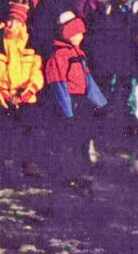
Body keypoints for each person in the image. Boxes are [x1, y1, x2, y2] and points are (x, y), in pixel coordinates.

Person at [0, 2, 43, 186]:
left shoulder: (31, 43)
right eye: (8, 21)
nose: (10, 25)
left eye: (15, 22)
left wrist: (25, 93)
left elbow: (37, 72)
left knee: (22, 135)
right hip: (2, 97)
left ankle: (17, 170)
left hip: (24, 98)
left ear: (23, 24)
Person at [43, 10, 108, 189]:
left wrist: (101, 102)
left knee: (83, 137)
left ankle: (82, 170)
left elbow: (88, 81)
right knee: (68, 141)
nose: (82, 35)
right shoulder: (59, 56)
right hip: (69, 103)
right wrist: (67, 111)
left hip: (82, 103)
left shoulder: (78, 53)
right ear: (68, 33)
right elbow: (58, 84)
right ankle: (69, 174)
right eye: (77, 33)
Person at [87, 0, 138, 137]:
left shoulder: (137, 6)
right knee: (111, 88)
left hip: (131, 56)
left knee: (132, 90)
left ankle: (133, 125)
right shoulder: (109, 6)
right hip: (113, 55)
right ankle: (110, 126)